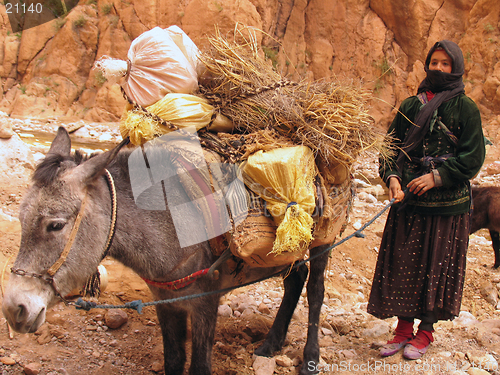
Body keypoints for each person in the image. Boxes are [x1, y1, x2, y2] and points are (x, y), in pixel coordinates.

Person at [367, 40, 486, 360]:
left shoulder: (466, 109)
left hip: (448, 206)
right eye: (434, 62)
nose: (438, 68)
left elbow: (473, 158)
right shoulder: (409, 106)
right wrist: (392, 178)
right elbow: (390, 149)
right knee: (403, 265)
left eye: (445, 64)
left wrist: (436, 177)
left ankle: (426, 331)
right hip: (409, 201)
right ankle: (403, 330)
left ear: (456, 68)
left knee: (436, 266)